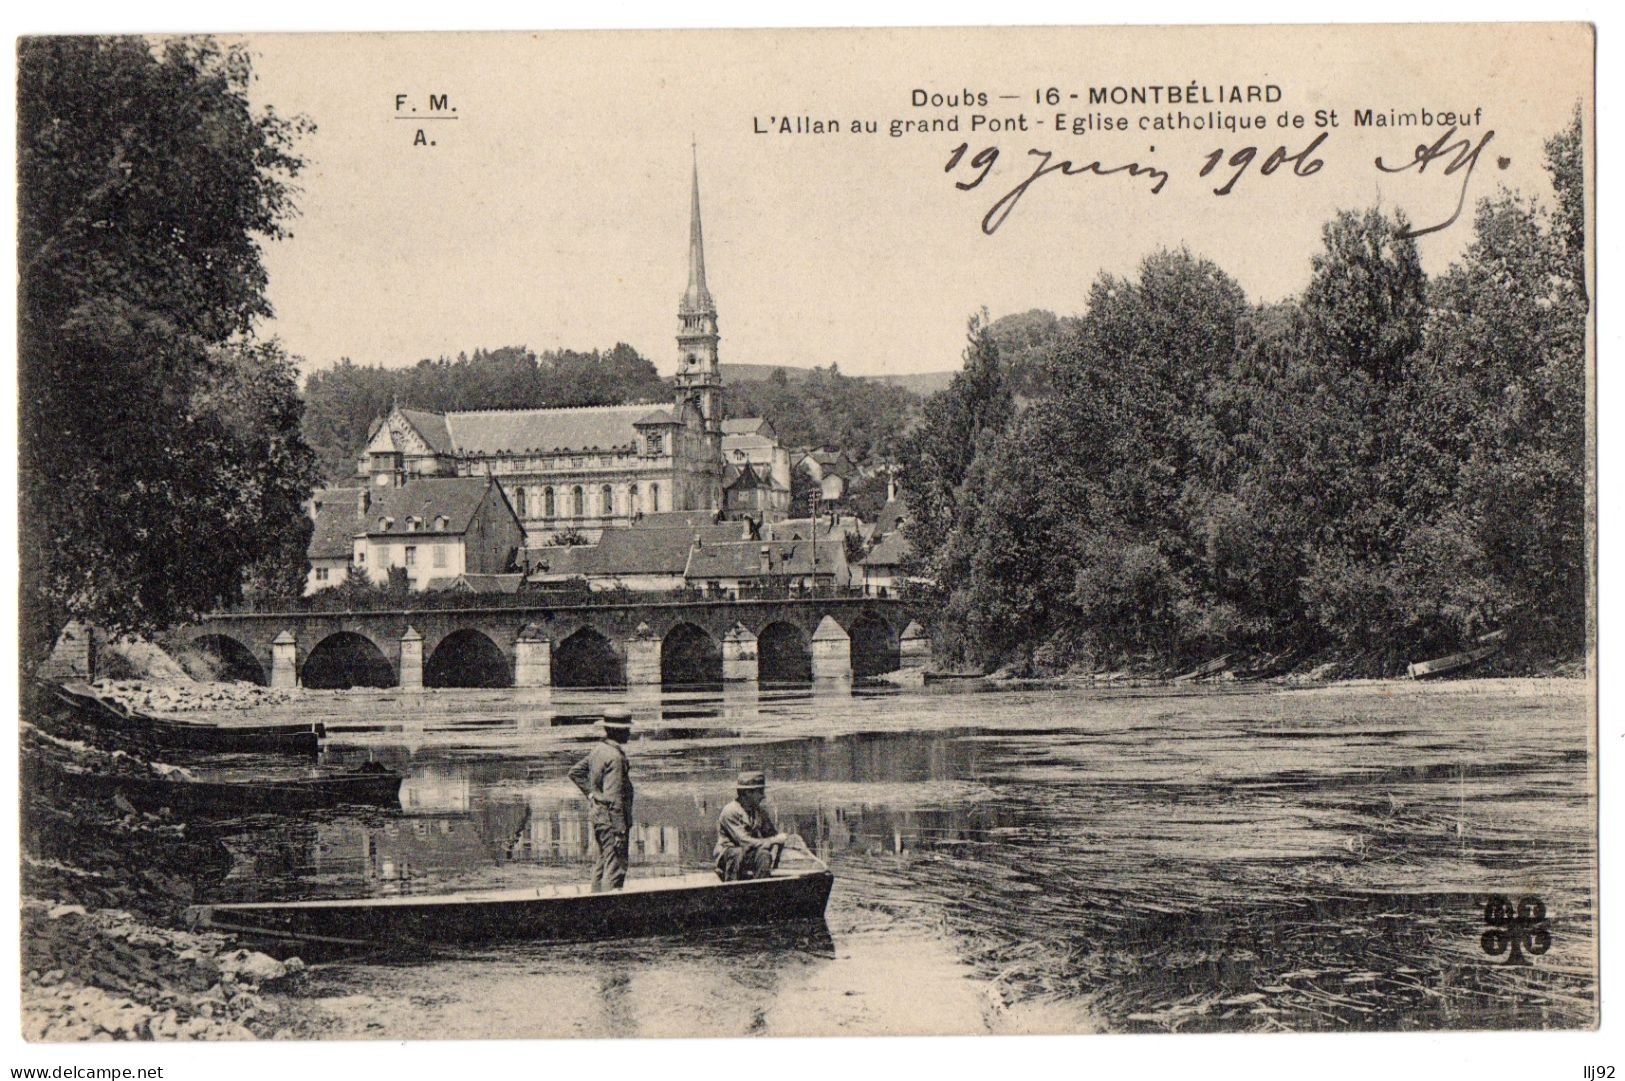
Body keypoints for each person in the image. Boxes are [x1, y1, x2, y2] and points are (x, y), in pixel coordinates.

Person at [567, 708, 634, 892]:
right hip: (612, 821)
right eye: (626, 729)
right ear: (617, 731)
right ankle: (609, 910)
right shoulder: (615, 757)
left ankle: (593, 904)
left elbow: (575, 772)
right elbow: (614, 799)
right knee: (615, 867)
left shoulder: (598, 750)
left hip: (599, 817)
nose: (629, 732)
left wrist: (592, 794)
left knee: (602, 863)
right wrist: (620, 830)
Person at [714, 770, 788, 881]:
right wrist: (773, 840)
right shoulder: (730, 811)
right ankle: (731, 889)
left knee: (764, 855)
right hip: (728, 856)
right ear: (748, 793)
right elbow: (744, 841)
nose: (763, 796)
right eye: (760, 791)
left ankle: (759, 891)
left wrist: (783, 839)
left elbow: (772, 834)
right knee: (737, 852)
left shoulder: (759, 812)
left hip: (748, 854)